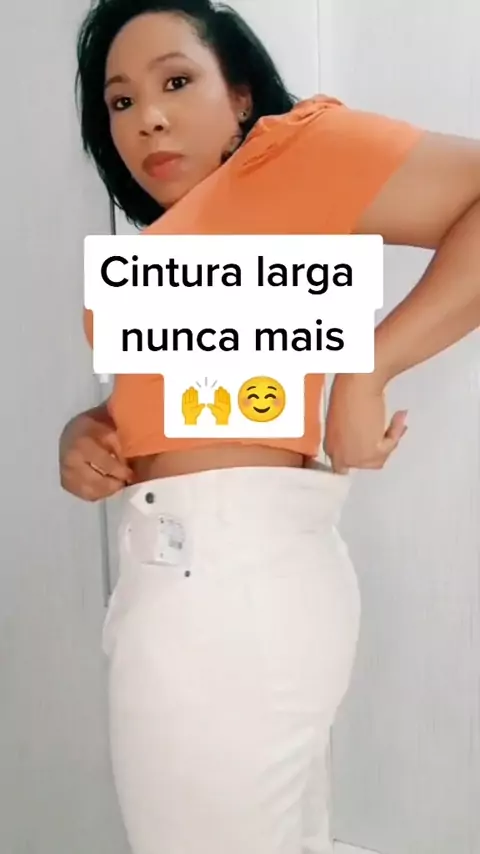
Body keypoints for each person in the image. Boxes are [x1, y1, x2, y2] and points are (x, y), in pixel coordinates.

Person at [60, 0, 480, 852]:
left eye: (176, 82)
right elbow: (170, 418)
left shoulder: (292, 154)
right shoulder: (159, 251)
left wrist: (370, 366)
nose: (148, 119)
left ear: (242, 95)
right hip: (194, 586)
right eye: (121, 101)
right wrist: (89, 433)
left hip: (229, 589)